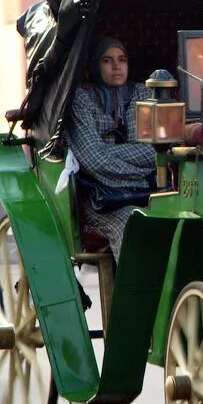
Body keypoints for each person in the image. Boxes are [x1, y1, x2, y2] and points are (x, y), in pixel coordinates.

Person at [66, 37, 156, 262]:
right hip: (100, 198)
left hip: (148, 192)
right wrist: (140, 170)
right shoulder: (81, 98)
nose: (117, 66)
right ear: (95, 65)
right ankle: (135, 294)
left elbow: (153, 152)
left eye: (122, 59)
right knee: (131, 223)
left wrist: (107, 151)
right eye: (107, 60)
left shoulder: (141, 94)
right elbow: (93, 160)